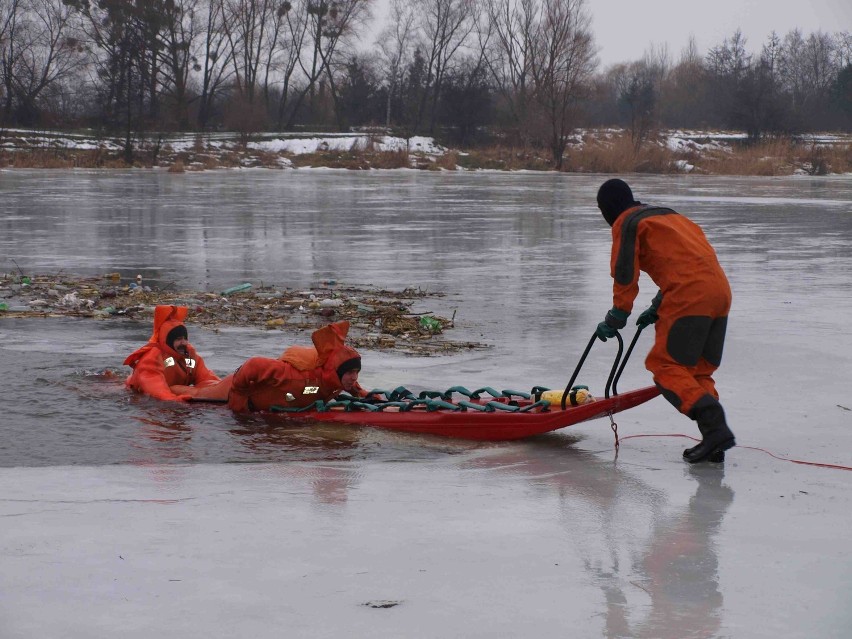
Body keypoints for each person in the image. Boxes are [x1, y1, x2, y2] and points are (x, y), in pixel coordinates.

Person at [594, 179, 735, 463]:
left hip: (689, 295)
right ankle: (714, 438)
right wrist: (657, 306)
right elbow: (687, 262)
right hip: (719, 291)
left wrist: (617, 316)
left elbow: (624, 273)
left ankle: (713, 423)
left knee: (665, 367)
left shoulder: (627, 222)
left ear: (606, 210)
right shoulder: (670, 216)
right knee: (696, 371)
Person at [183, 320, 367, 412]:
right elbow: (254, 365)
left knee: (205, 384)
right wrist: (237, 397)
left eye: (356, 372)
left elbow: (346, 381)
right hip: (233, 390)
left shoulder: (336, 381)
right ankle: (171, 387)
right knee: (191, 395)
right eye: (350, 372)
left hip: (271, 398)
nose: (354, 377)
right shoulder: (296, 378)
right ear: (336, 372)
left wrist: (363, 394)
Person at [124, 305, 221, 401]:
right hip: (139, 396)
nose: (183, 343)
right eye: (178, 339)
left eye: (185, 339)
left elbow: (205, 377)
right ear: (168, 341)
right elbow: (154, 388)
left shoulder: (189, 356)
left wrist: (221, 388)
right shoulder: (152, 358)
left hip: (172, 391)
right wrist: (174, 400)